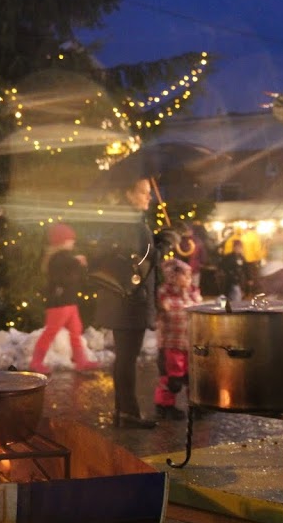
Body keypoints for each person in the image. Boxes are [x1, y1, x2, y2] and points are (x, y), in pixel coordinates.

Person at [90, 176, 178, 430]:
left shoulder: (124, 220)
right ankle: (128, 413)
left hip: (121, 300)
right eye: (143, 192)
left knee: (124, 358)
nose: (148, 197)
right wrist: (163, 245)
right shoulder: (132, 223)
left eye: (149, 193)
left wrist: (158, 241)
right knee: (127, 358)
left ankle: (124, 411)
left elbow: (140, 254)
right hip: (130, 301)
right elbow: (141, 263)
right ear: (129, 194)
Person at [29, 223, 100, 374]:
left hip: (69, 301)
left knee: (76, 330)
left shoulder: (64, 257)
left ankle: (80, 361)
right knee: (51, 331)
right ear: (62, 241)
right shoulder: (58, 258)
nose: (73, 242)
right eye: (70, 239)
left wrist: (78, 264)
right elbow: (63, 276)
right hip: (59, 303)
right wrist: (77, 263)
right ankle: (36, 362)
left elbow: (72, 275)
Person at [153, 258, 202, 420]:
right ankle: (164, 404)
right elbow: (161, 311)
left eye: (189, 275)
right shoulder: (164, 294)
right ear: (173, 277)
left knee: (192, 375)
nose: (189, 279)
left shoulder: (193, 293)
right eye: (184, 276)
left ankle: (196, 404)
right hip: (171, 344)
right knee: (172, 378)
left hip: (190, 343)